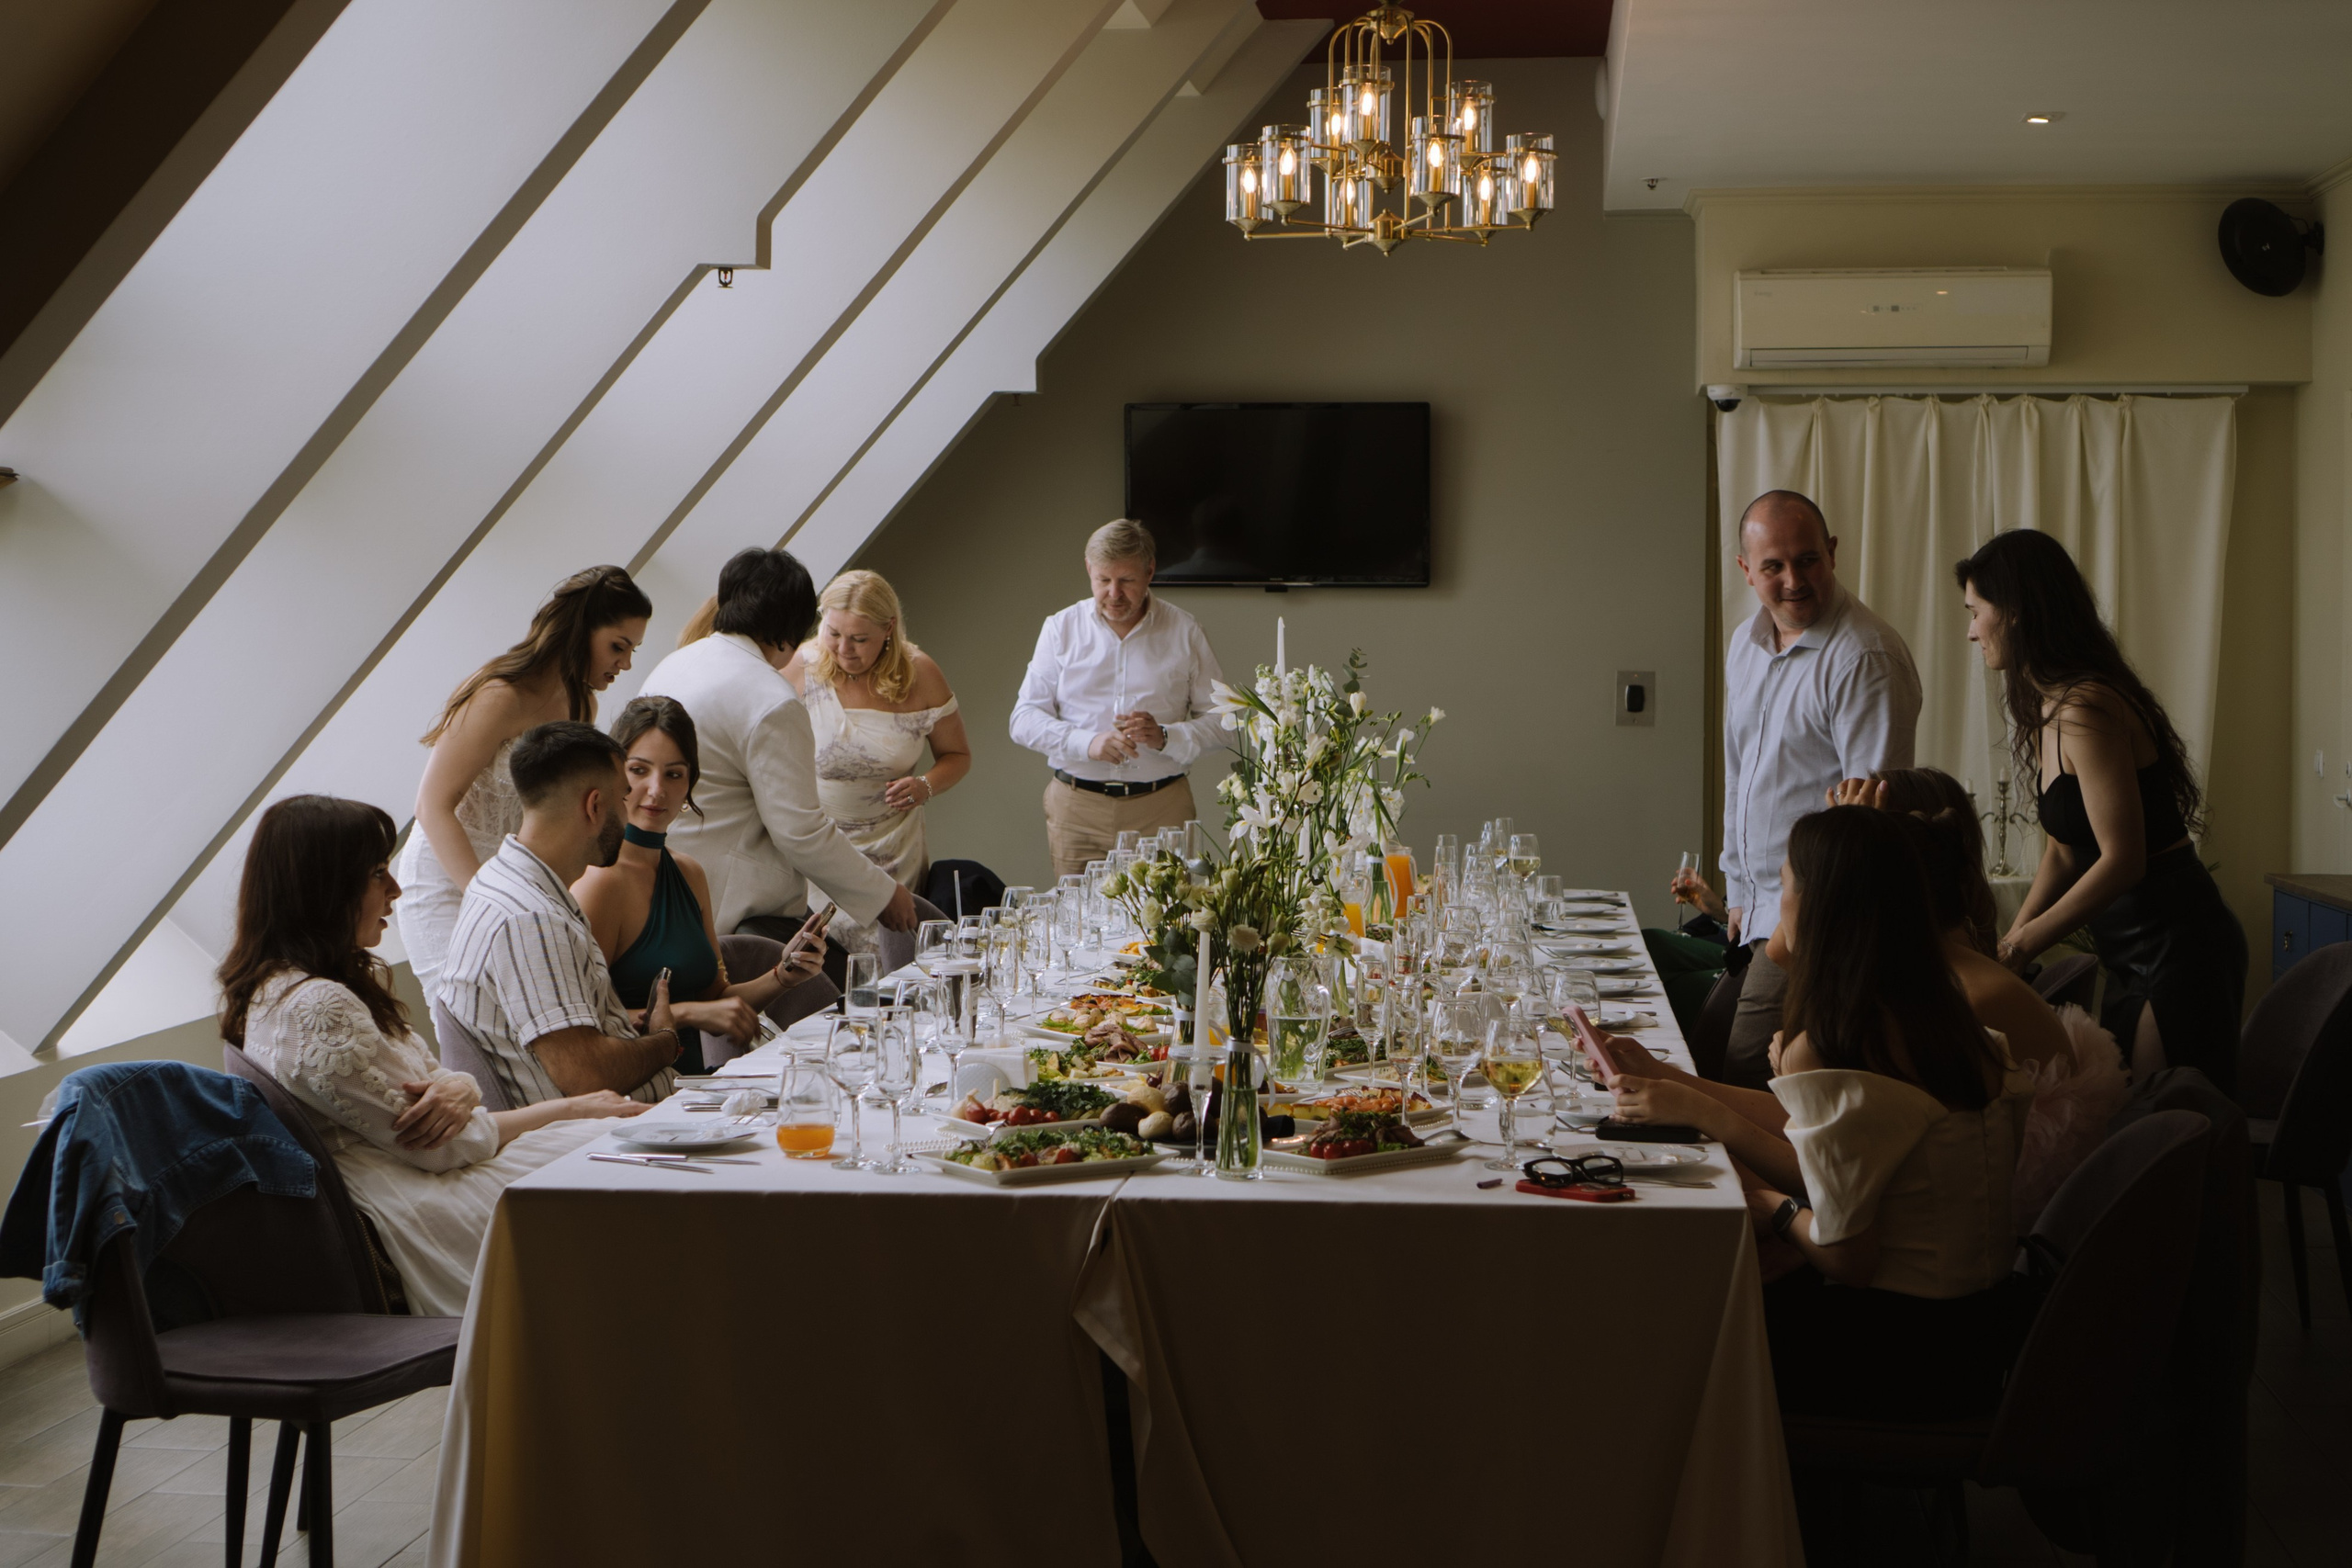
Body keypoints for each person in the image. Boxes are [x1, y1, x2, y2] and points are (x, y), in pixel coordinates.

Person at [222, 795, 646, 1314]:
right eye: (378, 873)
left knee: (613, 1139)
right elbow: (444, 1147)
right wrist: (569, 1107)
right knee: (615, 1145)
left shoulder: (281, 987)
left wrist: (461, 1088)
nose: (396, 890)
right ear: (324, 888)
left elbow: (438, 1081)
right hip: (415, 1204)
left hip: (416, 1178)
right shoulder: (317, 1007)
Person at [1719, 807, 2035, 1420]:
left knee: (1709, 1309)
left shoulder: (1839, 1041)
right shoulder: (1951, 1022)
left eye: (1783, 885)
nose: (1777, 902)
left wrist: (1770, 1207)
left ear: (1816, 906)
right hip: (1981, 1337)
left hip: (1901, 1360)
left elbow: (1849, 1258)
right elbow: (1866, 1185)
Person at [1956, 529, 2247, 1088]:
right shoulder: (2049, 705)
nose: (1971, 631)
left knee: (2168, 1133)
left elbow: (2123, 859)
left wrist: (2021, 946)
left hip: (2177, 941)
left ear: (2015, 611)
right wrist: (2008, 948)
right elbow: (2064, 854)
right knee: (2144, 1126)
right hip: (2131, 946)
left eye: (1976, 612)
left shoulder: (2086, 706)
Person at [1713, 491, 1922, 1088]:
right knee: (1705, 1052)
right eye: (1773, 565)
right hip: (1753, 912)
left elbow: (1868, 828)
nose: (1793, 579)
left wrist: (1789, 932)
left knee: (1743, 1078)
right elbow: (1740, 773)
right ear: (1746, 569)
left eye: (1807, 559)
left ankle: (1781, 1186)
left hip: (1816, 926)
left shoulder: (1865, 658)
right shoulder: (1744, 644)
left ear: (1832, 552)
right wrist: (1736, 890)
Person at [635, 548, 917, 959]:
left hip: (656, 881)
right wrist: (882, 894)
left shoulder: (673, 664)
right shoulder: (770, 698)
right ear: (793, 626)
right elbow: (799, 830)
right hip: (728, 902)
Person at [395, 566, 651, 998]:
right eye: (618, 647)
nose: (625, 664)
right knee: (464, 1013)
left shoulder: (581, 704)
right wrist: (486, 900)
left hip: (510, 881)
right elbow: (432, 805)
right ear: (581, 630)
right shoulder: (500, 695)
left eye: (631, 651)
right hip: (444, 877)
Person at [435, 722, 684, 1109]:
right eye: (623, 799)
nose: (628, 814)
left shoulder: (509, 881)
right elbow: (587, 1076)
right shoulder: (529, 918)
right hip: (598, 1146)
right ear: (594, 806)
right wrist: (665, 1041)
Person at [573, 697, 828, 1072]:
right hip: (632, 1092)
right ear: (614, 773)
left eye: (674, 774)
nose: (657, 790)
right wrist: (689, 1013)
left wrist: (783, 975)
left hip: (693, 1090)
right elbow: (582, 1028)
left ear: (690, 783)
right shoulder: (600, 883)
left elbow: (717, 998)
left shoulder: (688, 872)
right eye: (639, 770)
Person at [1011, 519, 1227, 877]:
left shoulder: (1185, 631)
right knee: (1078, 927)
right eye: (1103, 581)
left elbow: (1225, 723)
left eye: (1126, 580)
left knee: (1168, 927)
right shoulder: (1060, 629)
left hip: (1161, 808)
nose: (1114, 593)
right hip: (1077, 809)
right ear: (1089, 570)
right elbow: (1023, 719)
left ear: (1150, 571)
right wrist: (1087, 742)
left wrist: (1167, 737)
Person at [780, 570, 971, 899]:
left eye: (859, 639)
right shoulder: (799, 669)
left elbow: (958, 756)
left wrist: (925, 786)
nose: (844, 649)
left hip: (895, 852)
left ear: (889, 629)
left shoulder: (920, 673)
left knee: (894, 947)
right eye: (834, 633)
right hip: (816, 852)